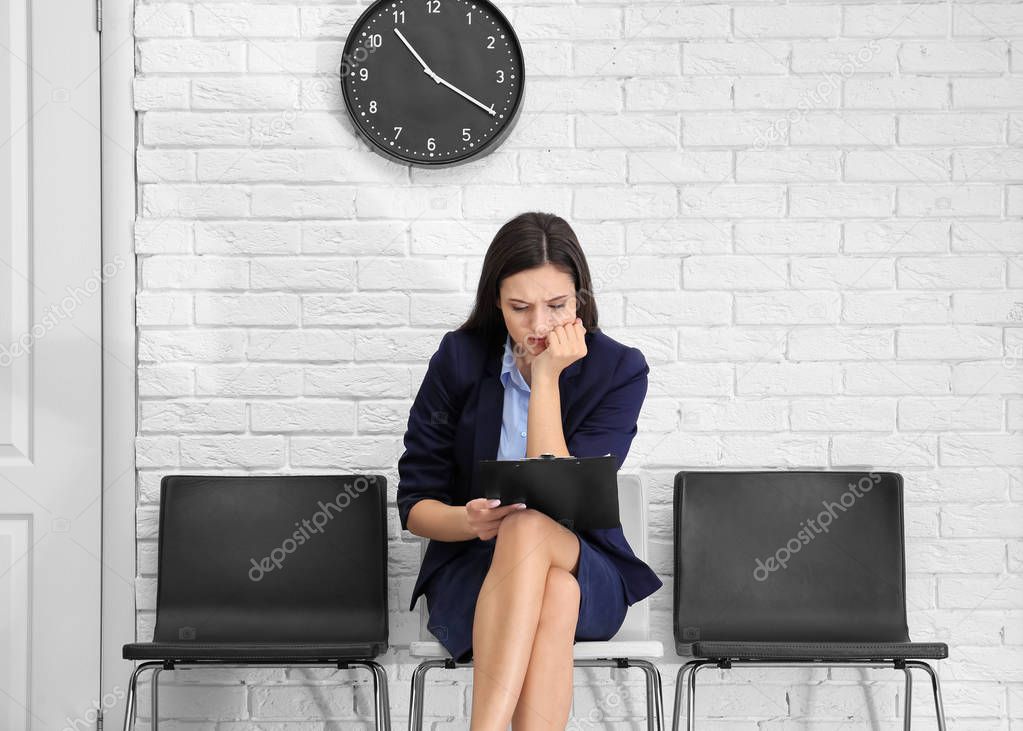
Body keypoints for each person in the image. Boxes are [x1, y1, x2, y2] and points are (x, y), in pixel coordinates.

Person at [396, 211, 662, 730]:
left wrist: (545, 379)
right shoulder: (459, 358)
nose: (539, 326)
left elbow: (562, 500)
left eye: (557, 306)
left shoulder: (619, 370)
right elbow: (416, 505)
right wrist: (467, 522)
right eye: (519, 308)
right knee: (550, 588)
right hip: (474, 573)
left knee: (532, 527)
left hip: (587, 566)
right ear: (496, 302)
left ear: (580, 301)